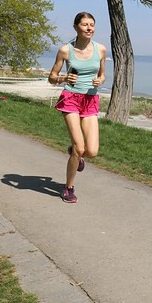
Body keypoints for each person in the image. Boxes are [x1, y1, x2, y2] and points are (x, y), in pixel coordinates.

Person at [47, 12, 107, 204]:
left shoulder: (101, 50)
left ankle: (76, 153)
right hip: (71, 98)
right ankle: (68, 187)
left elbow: (103, 75)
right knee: (80, 148)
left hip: (90, 99)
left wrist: (100, 80)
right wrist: (63, 78)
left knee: (92, 152)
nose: (89, 28)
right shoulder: (65, 50)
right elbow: (52, 77)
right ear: (75, 27)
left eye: (92, 24)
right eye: (84, 25)